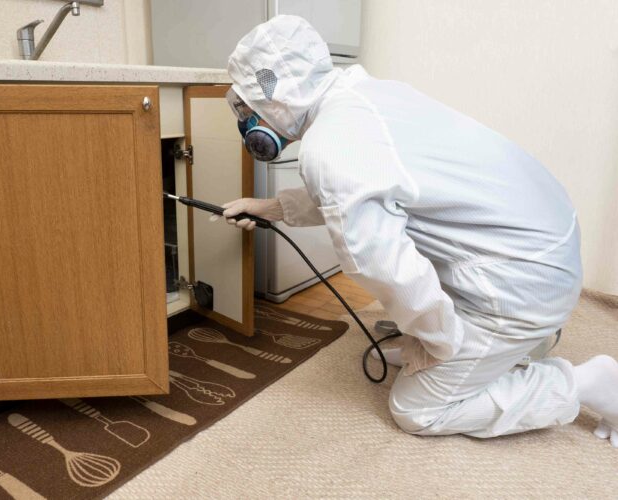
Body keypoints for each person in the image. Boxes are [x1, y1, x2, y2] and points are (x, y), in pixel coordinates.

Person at [219, 15, 618, 445]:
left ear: (276, 97)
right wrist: (272, 208)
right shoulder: (364, 98)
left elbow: (387, 267)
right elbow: (361, 189)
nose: (246, 120)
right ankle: (512, 343)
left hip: (522, 285)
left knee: (417, 409)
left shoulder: (330, 145)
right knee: (425, 307)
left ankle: (586, 383)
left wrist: (437, 343)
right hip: (543, 252)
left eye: (248, 107)